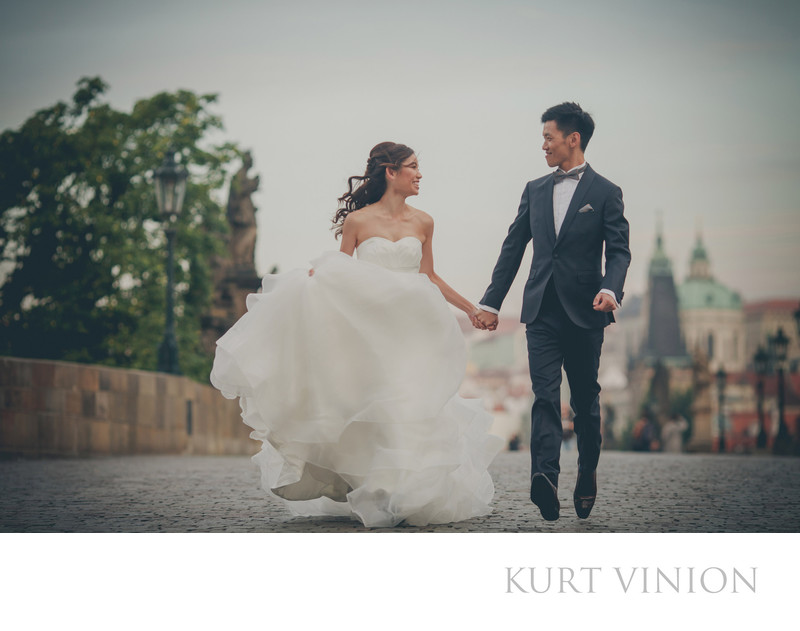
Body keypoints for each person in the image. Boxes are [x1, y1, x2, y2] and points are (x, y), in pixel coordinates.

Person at [211, 141, 503, 528]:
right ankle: (376, 487)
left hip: (412, 331)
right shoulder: (358, 222)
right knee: (375, 405)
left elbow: (428, 276)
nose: (419, 174)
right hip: (368, 333)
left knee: (409, 405)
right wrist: (316, 283)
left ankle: (407, 488)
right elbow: (340, 273)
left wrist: (472, 309)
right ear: (390, 172)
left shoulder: (424, 222)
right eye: (413, 167)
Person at [474, 102, 631, 521]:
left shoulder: (605, 192)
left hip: (586, 311)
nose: (542, 145)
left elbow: (618, 251)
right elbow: (513, 248)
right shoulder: (535, 189)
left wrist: (610, 289)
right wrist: (491, 301)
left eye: (548, 137)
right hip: (541, 310)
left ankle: (587, 472)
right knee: (544, 396)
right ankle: (543, 476)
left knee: (584, 401)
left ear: (572, 139)